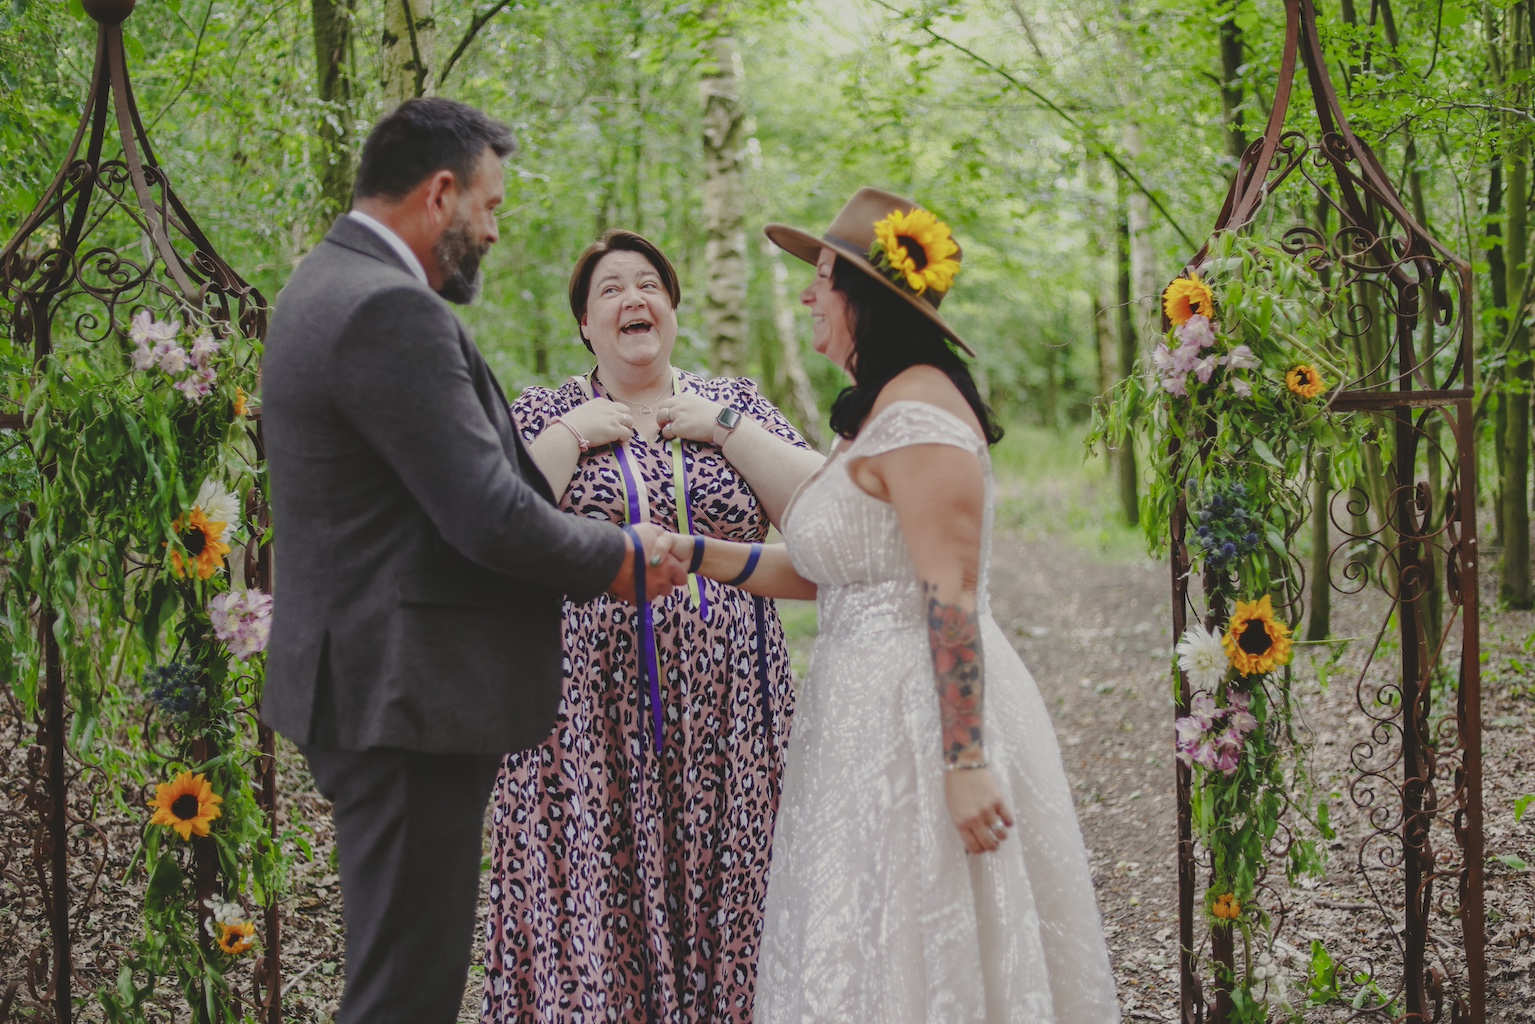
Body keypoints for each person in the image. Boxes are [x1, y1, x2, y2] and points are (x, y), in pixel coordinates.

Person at [259, 99, 686, 1024]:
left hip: (375, 687)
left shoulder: (322, 283)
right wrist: (616, 556)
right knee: (404, 994)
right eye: (489, 206)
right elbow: (485, 513)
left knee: (399, 976)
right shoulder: (386, 310)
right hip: (405, 697)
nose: (491, 230)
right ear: (440, 192)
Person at [661, 188, 1120, 1022]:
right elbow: (839, 571)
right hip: (853, 722)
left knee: (918, 950)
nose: (806, 294)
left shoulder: (918, 414)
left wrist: (966, 760)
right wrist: (693, 554)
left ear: (866, 298)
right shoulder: (878, 413)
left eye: (823, 278)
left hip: (917, 726)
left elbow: (949, 594)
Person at [479, 229, 825, 1022]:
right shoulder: (541, 411)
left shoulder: (731, 405)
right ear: (584, 324)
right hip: (581, 730)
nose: (632, 298)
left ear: (670, 310)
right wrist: (572, 436)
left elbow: (826, 508)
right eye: (609, 289)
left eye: (648, 285)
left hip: (733, 725)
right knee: (596, 909)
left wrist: (724, 428)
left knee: (735, 899)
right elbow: (498, 527)